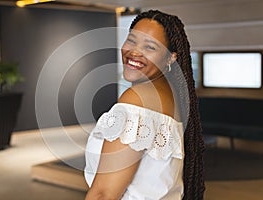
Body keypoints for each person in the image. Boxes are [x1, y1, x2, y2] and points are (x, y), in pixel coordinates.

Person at [84, 10, 205, 200]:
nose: (134, 51)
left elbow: (103, 194)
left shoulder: (136, 100)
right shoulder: (169, 96)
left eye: (150, 47)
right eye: (131, 40)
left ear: (171, 57)